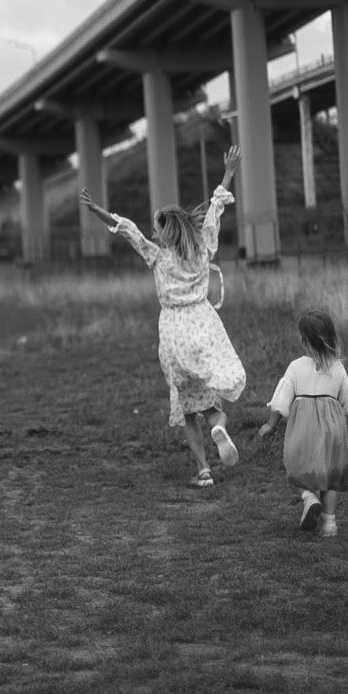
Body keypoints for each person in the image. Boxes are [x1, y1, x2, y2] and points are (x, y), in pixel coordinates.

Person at [80, 146, 245, 488]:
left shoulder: (157, 257)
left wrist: (98, 211)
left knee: (186, 407)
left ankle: (203, 471)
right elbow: (216, 209)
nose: (154, 233)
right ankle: (219, 426)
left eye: (157, 228)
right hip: (203, 324)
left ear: (165, 232)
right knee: (211, 396)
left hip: (173, 330)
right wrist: (228, 172)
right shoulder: (202, 249)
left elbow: (127, 230)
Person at [258, 308, 348, 538]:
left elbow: (282, 399)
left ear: (304, 341)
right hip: (333, 425)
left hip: (303, 424)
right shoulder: (337, 367)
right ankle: (329, 524)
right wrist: (346, 421)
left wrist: (270, 425)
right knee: (331, 475)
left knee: (296, 466)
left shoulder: (295, 367)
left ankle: (308, 497)